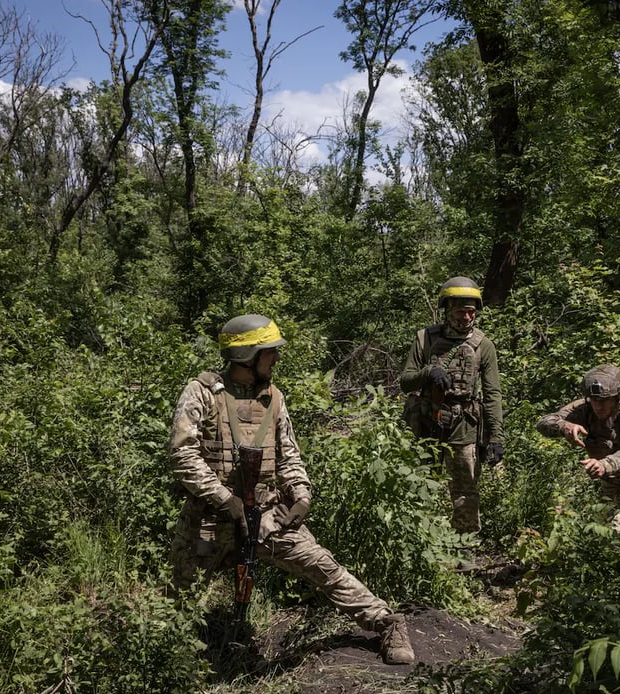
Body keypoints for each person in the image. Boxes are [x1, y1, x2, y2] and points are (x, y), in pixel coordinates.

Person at [168, 313, 415, 665]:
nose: (277, 358)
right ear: (247, 356)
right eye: (270, 352)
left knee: (323, 567)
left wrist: (301, 496)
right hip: (208, 519)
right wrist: (225, 499)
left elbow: (289, 457)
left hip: (266, 516)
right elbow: (182, 455)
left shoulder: (274, 398)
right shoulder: (203, 393)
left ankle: (386, 621)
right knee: (175, 604)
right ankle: (168, 661)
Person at [399, 276, 504, 534]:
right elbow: (405, 382)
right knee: (421, 483)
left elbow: (492, 394)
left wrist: (496, 437)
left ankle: (465, 546)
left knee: (465, 490)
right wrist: (428, 372)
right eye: (460, 312)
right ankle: (425, 542)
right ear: (447, 310)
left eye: (471, 312)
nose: (466, 318)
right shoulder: (425, 339)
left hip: (464, 425)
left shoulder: (483, 346)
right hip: (427, 422)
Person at [536, 364, 620, 535]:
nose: (598, 405)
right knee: (593, 535)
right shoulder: (585, 408)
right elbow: (543, 423)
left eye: (604, 400)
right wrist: (564, 426)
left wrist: (605, 465)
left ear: (619, 396)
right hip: (610, 484)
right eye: (594, 399)